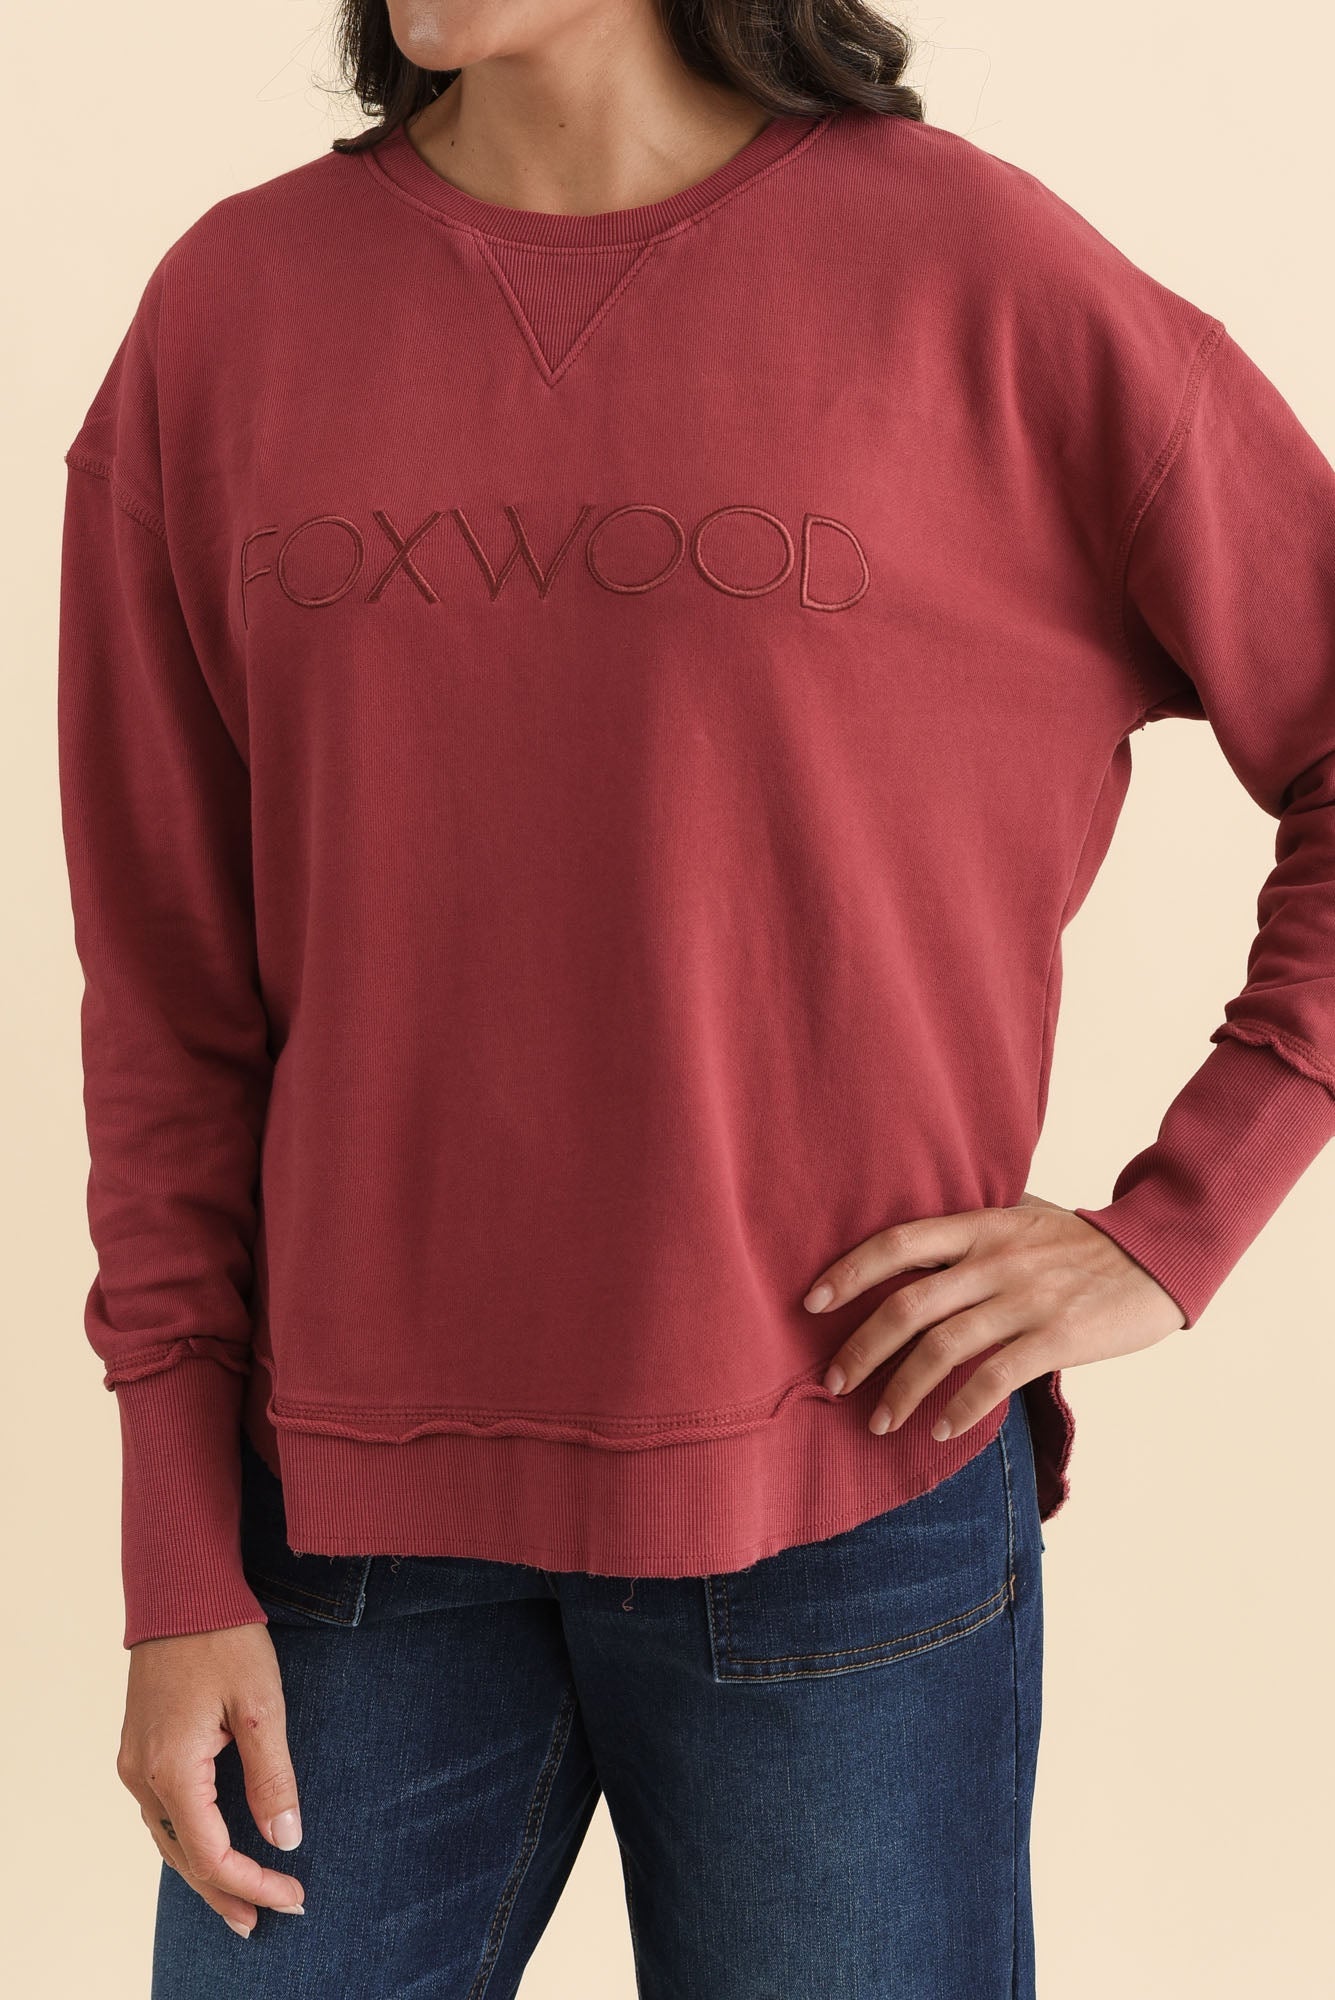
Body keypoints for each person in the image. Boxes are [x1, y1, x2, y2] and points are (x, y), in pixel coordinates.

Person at [55, 2, 1335, 1995]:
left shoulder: (978, 275)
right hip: (339, 1528)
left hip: (848, 1481)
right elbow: (164, 992)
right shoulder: (234, 312)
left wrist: (1177, 1224)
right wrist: (170, 1553)